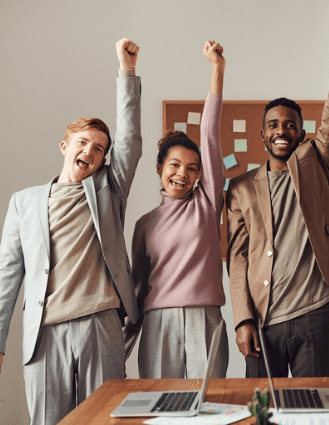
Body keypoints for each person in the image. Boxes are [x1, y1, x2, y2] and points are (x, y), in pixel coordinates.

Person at [0, 38, 142, 425]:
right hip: (45, 333)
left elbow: (129, 142)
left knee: (106, 420)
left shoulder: (108, 192)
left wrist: (126, 71)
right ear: (65, 146)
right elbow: (7, 277)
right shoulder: (23, 202)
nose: (91, 153)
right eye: (83, 143)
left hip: (101, 325)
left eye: (99, 149)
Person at [226, 6, 329, 378]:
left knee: (313, 410)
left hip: (314, 314)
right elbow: (237, 259)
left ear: (301, 133)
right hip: (262, 319)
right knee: (261, 411)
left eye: (289, 125)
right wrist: (242, 320)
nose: (281, 130)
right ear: (263, 135)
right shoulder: (239, 189)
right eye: (273, 125)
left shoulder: (316, 163)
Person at [123, 41, 228, 379]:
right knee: (160, 407)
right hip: (157, 323)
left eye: (192, 168)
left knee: (210, 406)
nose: (182, 174)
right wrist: (121, 346)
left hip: (205, 318)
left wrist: (217, 69)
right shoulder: (144, 225)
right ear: (159, 168)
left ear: (201, 175)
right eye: (174, 165)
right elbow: (138, 289)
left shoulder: (207, 203)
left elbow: (209, 135)